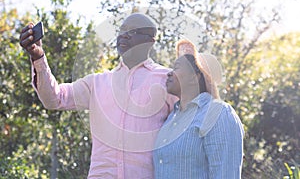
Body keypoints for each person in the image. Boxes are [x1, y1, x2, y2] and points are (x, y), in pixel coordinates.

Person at [19, 13, 178, 178]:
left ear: (150, 41)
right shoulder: (97, 83)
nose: (124, 35)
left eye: (132, 31)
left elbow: (188, 127)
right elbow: (54, 98)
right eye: (122, 30)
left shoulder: (168, 80)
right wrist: (38, 57)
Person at [153, 39, 244, 179]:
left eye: (176, 68)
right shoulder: (172, 117)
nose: (169, 73)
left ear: (194, 77)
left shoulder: (218, 114)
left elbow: (226, 173)